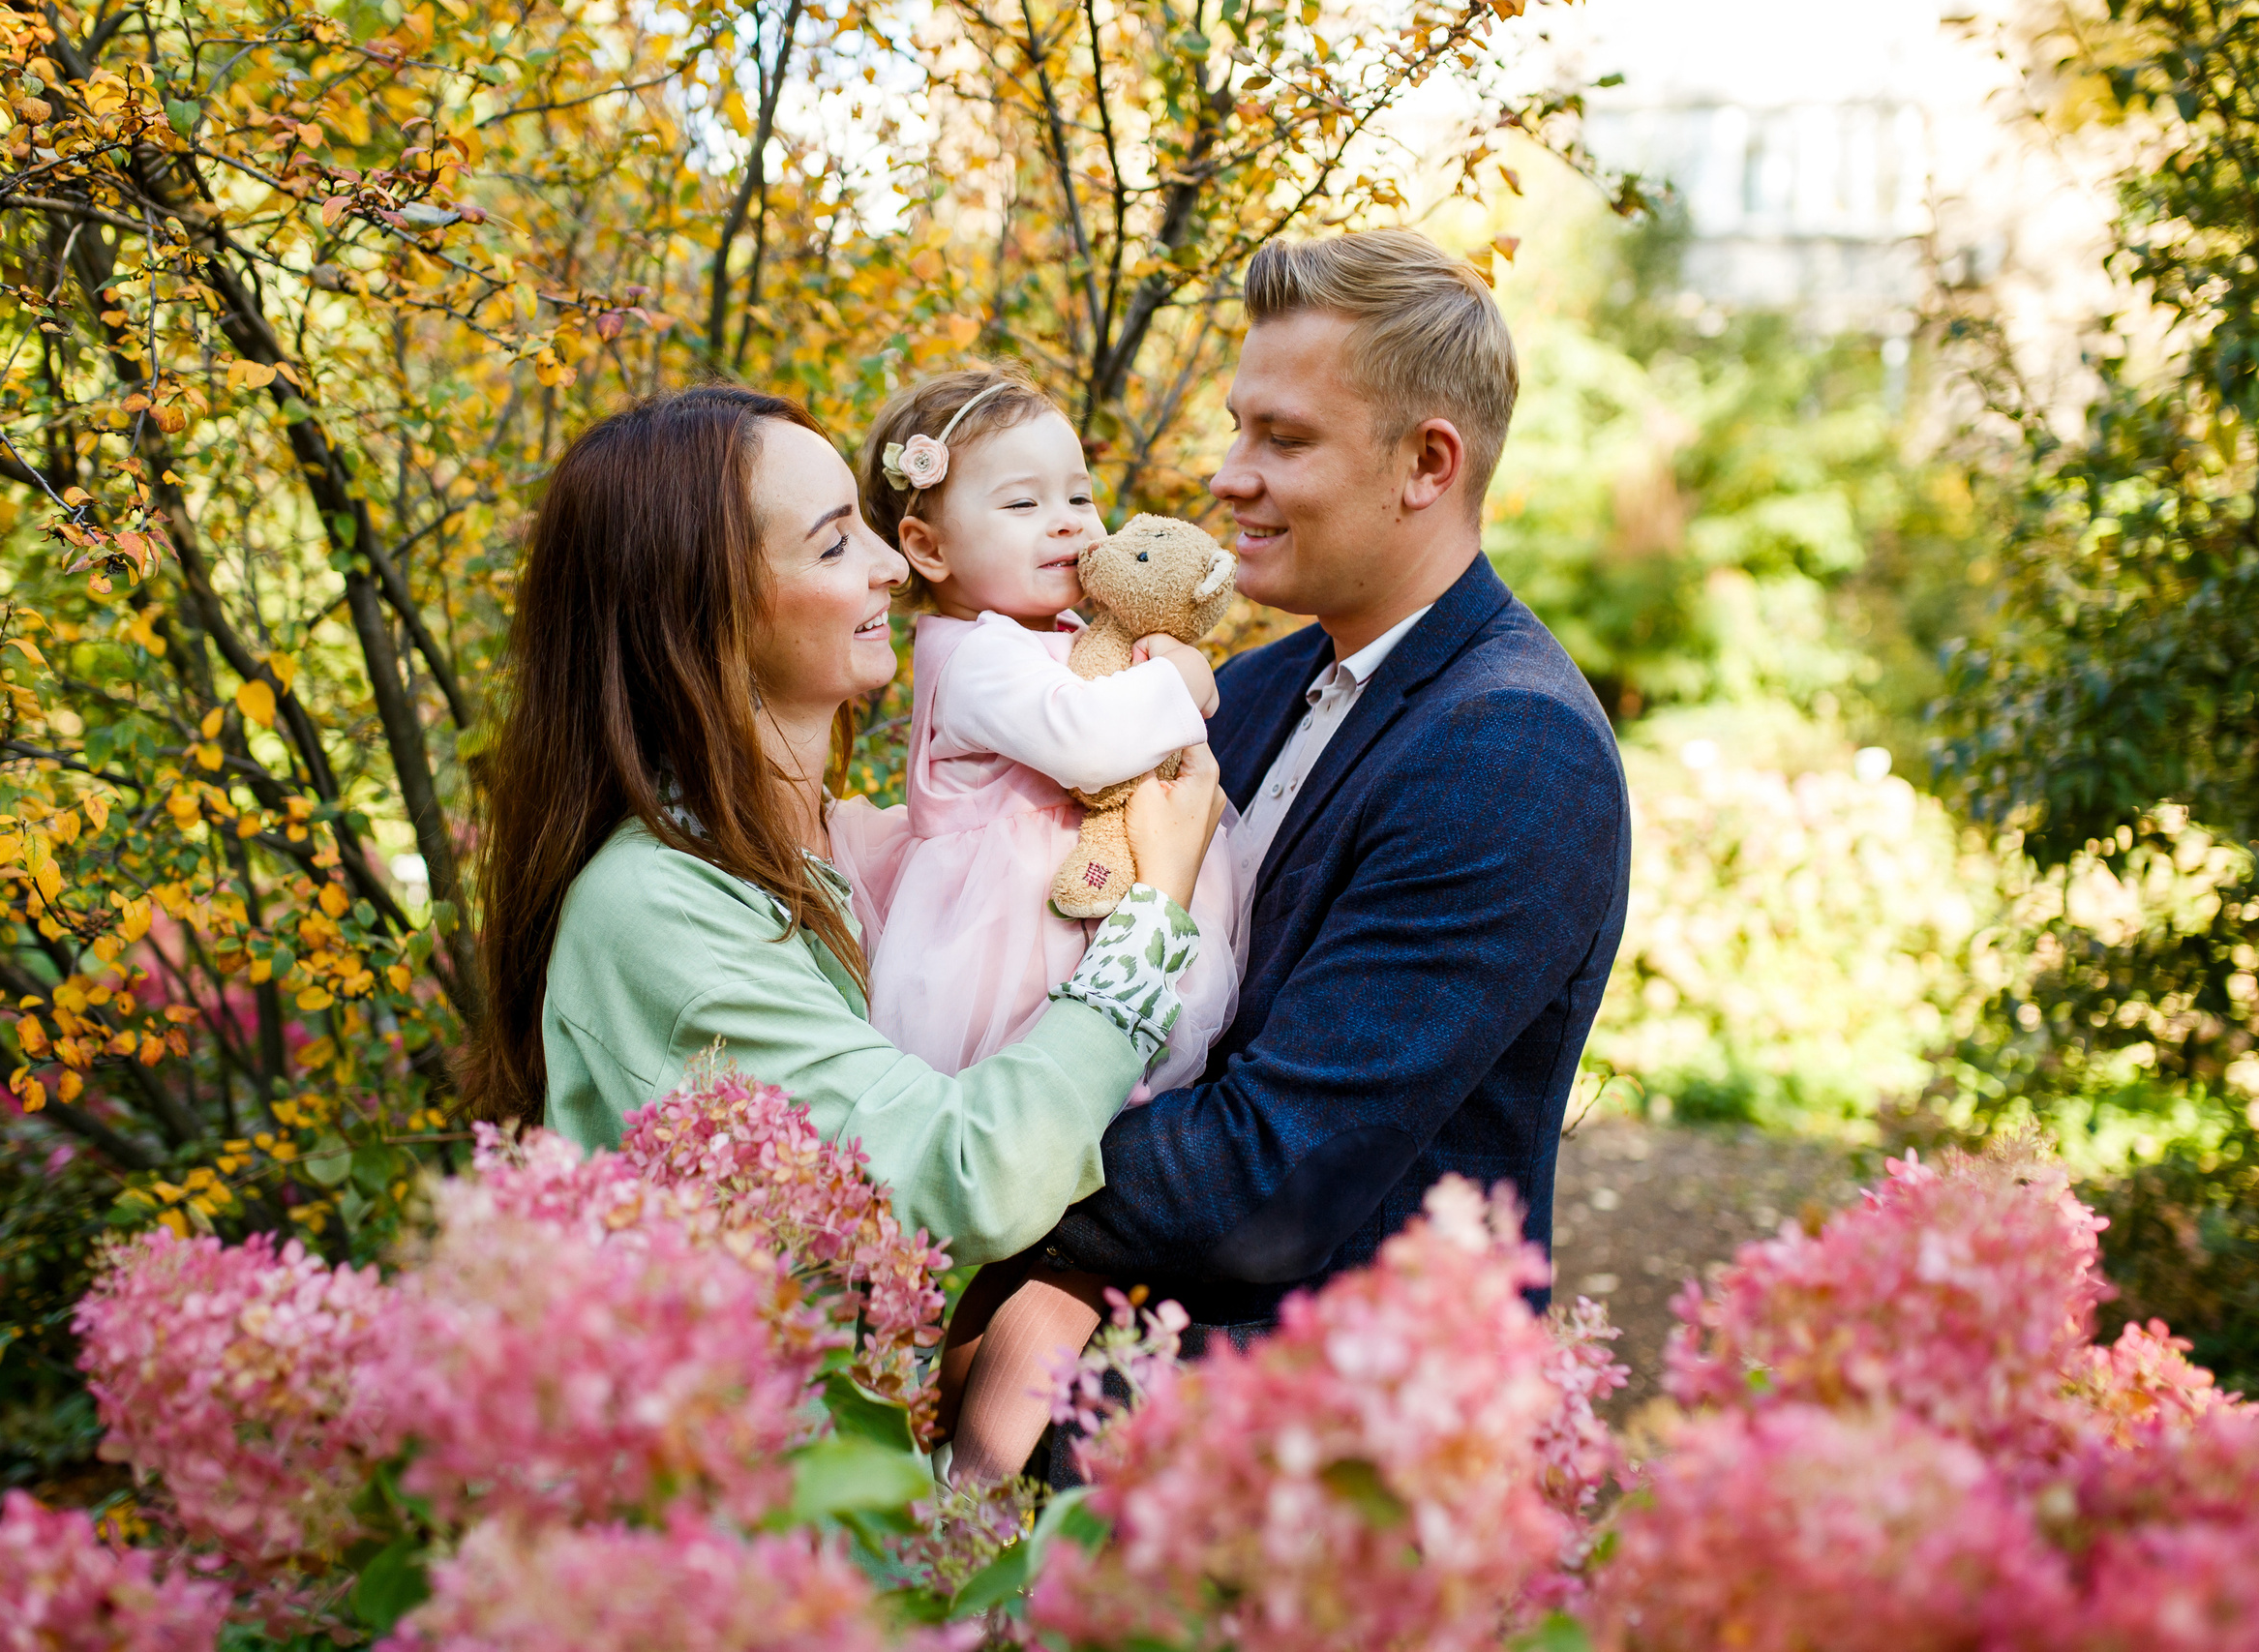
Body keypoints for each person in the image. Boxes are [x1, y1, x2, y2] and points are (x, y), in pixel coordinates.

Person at [457, 385, 1228, 1295]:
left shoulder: (854, 850)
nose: (893, 568)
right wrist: (1153, 915)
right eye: (834, 543)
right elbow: (956, 1177)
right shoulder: (655, 905)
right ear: (703, 610)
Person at [1035, 230, 1634, 1362]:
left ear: (1427, 464)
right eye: (1236, 427)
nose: (1228, 475)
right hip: (1139, 1383)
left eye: (1285, 438)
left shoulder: (1513, 748)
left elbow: (1275, 1174)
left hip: (1342, 1438)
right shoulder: (1251, 689)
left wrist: (965, 1180)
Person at [834, 368, 1248, 1484]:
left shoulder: (1065, 632)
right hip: (1001, 971)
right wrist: (1187, 682)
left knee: (1071, 1229)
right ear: (925, 547)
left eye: (1076, 490)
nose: (1067, 518)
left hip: (1086, 937)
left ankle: (993, 1443)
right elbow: (1080, 741)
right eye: (1020, 504)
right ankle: (953, 1457)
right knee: (1006, 1217)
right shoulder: (962, 656)